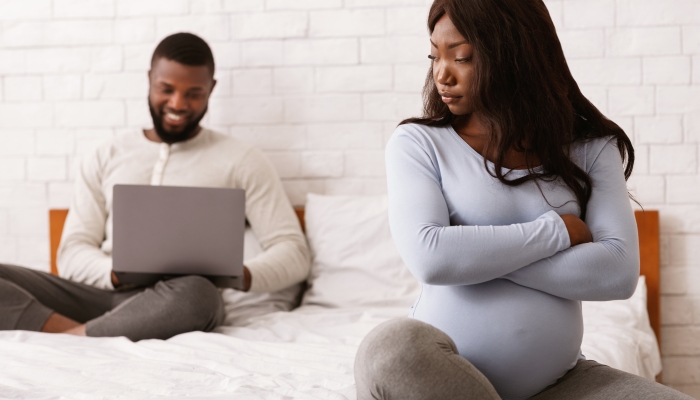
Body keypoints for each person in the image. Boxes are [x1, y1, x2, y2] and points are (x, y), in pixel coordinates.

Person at [354, 1, 691, 399]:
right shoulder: (420, 144)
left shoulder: (590, 148)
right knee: (392, 348)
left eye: (461, 57)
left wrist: (473, 251)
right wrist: (557, 231)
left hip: (563, 383)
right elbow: (432, 258)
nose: (441, 74)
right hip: (440, 382)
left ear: (514, 55)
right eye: (434, 55)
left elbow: (616, 275)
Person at [0, 33, 310, 342]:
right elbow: (72, 251)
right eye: (166, 89)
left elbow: (293, 251)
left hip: (178, 300)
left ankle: (73, 338)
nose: (177, 104)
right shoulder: (106, 155)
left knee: (197, 294)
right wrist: (114, 273)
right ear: (149, 79)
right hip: (99, 295)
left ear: (211, 89)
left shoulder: (243, 159)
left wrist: (238, 275)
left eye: (194, 93)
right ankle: (78, 335)